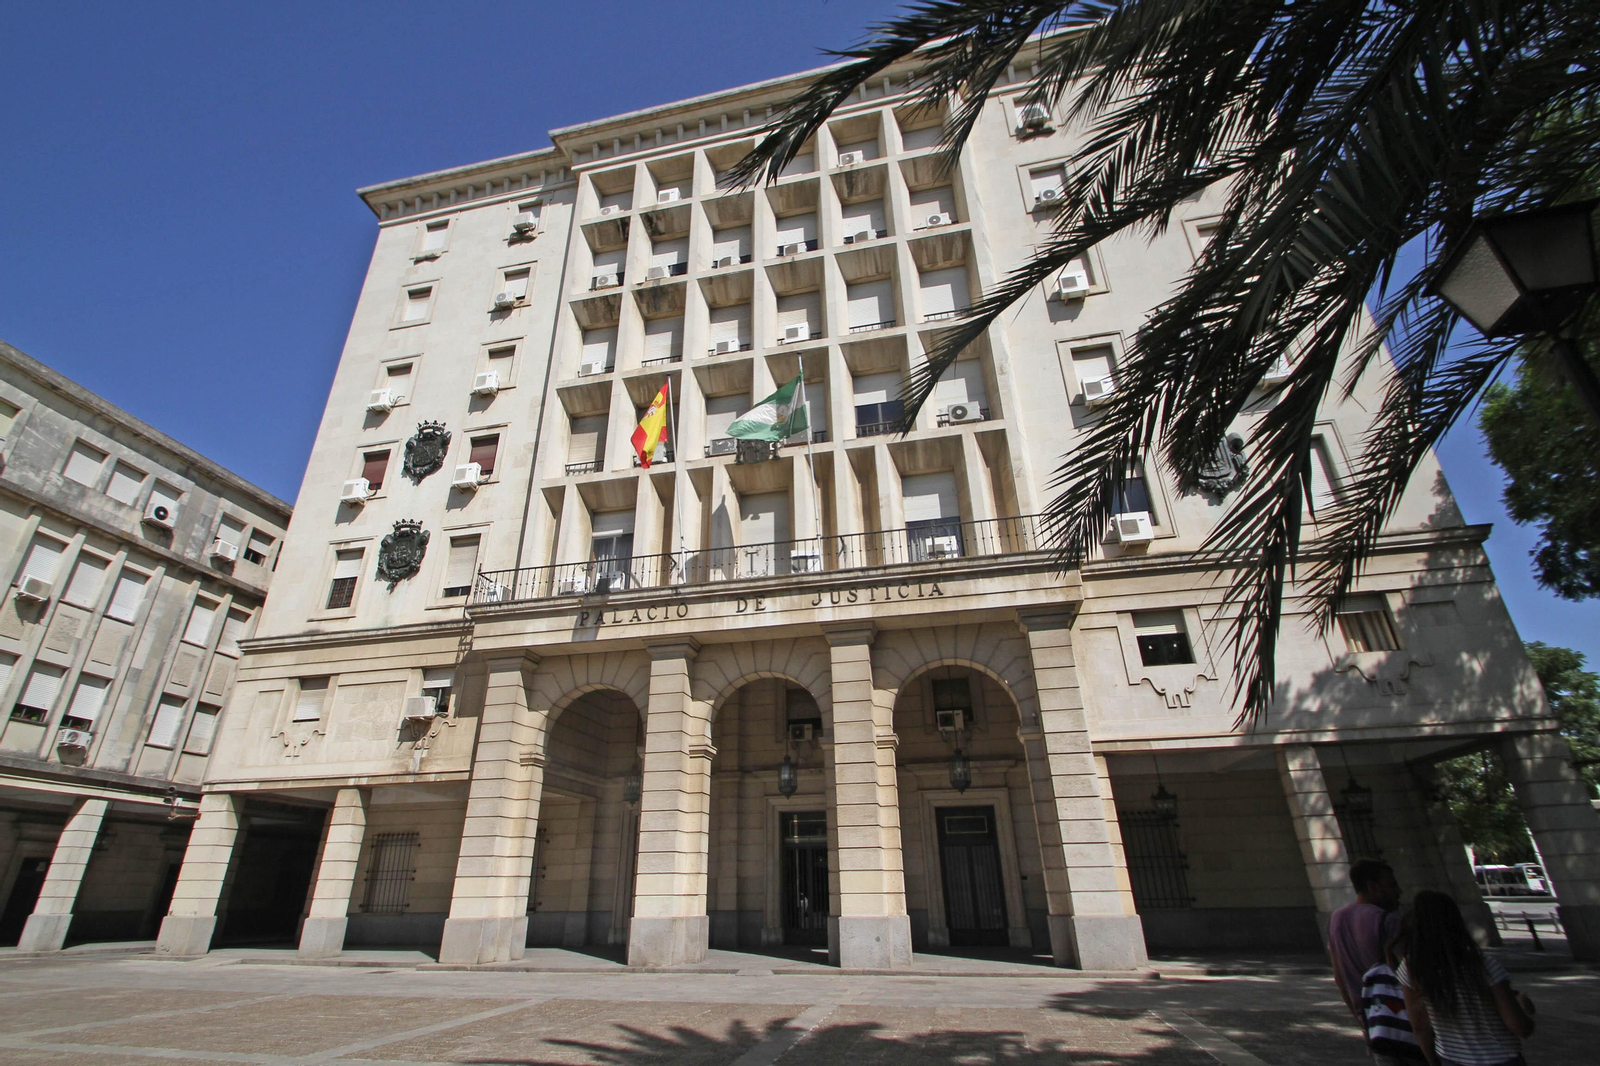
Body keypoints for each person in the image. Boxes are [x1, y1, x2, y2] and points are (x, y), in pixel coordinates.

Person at [1397, 890, 1535, 1066]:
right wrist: (1525, 1009)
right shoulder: (1484, 966)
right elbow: (1519, 1027)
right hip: (1501, 1057)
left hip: (1450, 1058)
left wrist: (1432, 1060)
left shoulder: (1411, 968)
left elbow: (1419, 1027)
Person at [1329, 860, 1403, 1027]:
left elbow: (1339, 976)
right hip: (1400, 1017)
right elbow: (1409, 975)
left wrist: (1359, 1018)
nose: (1399, 891)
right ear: (1373, 887)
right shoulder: (1388, 921)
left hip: (1370, 1019)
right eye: (1392, 885)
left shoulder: (1336, 918)